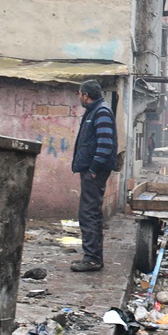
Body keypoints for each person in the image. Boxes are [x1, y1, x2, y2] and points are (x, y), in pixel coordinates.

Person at [71, 80, 117, 273]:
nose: (79, 97)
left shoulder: (101, 112)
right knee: (91, 214)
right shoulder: (95, 111)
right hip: (92, 170)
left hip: (94, 172)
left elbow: (105, 144)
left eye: (80, 94)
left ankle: (91, 259)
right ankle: (93, 256)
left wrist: (93, 170)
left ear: (85, 95)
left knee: (88, 214)